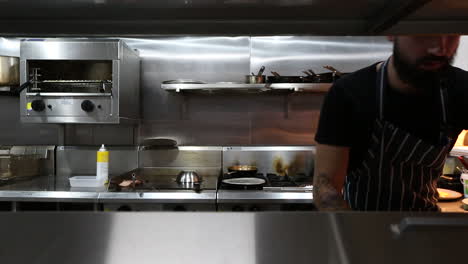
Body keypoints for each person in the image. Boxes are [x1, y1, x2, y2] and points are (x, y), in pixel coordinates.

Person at [313, 35, 468, 211]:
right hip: (361, 227)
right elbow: (326, 186)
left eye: (451, 35)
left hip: (425, 226)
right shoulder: (349, 94)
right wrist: (351, 233)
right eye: (426, 34)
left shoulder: (461, 89)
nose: (440, 48)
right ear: (393, 33)